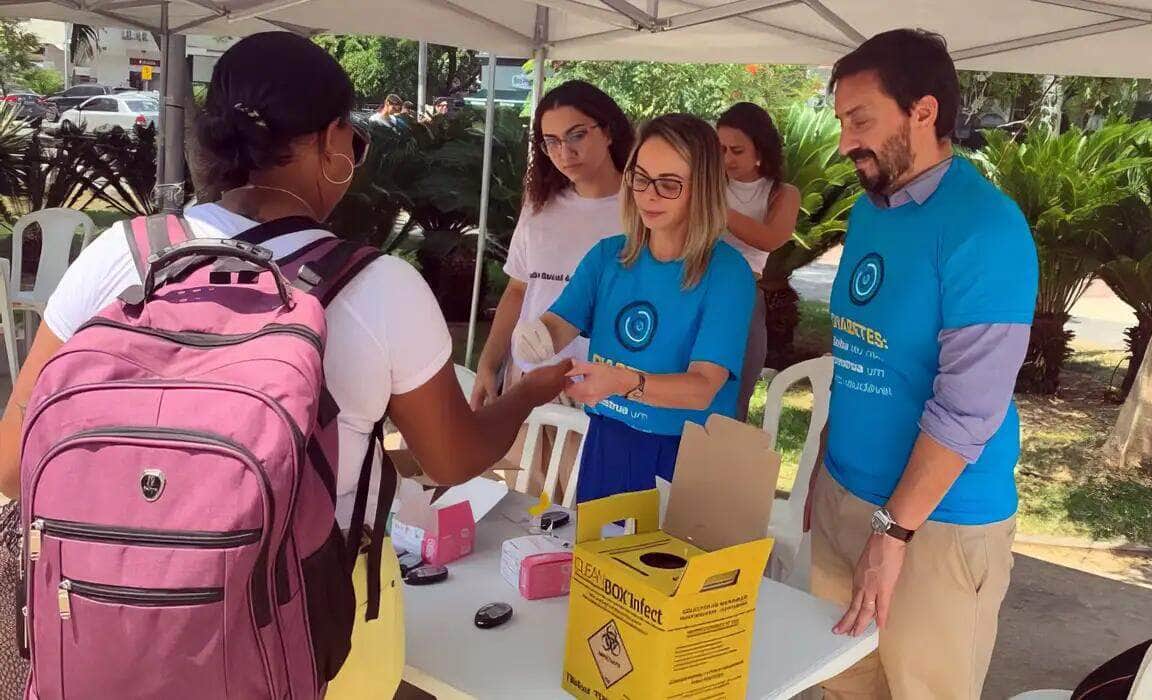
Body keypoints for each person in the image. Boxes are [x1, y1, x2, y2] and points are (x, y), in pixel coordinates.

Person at [0, 31, 568, 694]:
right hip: (314, 636)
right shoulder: (377, 288)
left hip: (103, 639)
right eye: (354, 144)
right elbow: (450, 459)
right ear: (330, 141)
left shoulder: (119, 257)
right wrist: (526, 396)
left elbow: (14, 460)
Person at [810, 29, 1038, 699]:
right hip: (846, 500)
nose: (845, 140)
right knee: (839, 684)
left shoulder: (984, 228)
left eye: (860, 119)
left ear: (924, 111)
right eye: (841, 122)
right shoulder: (869, 212)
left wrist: (892, 531)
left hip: (936, 525)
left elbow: (968, 408)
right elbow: (857, 355)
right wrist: (826, 471)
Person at [514, 113, 756, 502]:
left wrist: (623, 383)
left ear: (705, 188)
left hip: (685, 451)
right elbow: (562, 321)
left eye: (669, 184)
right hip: (609, 439)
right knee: (594, 557)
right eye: (640, 178)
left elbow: (701, 389)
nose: (649, 195)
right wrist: (537, 337)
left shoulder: (727, 274)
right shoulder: (608, 256)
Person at [470, 81, 633, 496]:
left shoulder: (639, 210)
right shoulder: (540, 203)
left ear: (609, 131)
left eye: (577, 135)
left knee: (586, 515)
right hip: (528, 383)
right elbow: (517, 291)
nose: (565, 152)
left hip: (598, 388)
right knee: (519, 506)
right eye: (552, 141)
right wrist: (490, 363)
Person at [716, 102, 801, 419]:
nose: (726, 158)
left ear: (760, 149)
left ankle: (723, 462)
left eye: (736, 150)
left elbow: (771, 237)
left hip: (745, 294)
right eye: (720, 148)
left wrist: (715, 209)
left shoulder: (782, 193)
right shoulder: (709, 182)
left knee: (738, 389)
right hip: (697, 288)